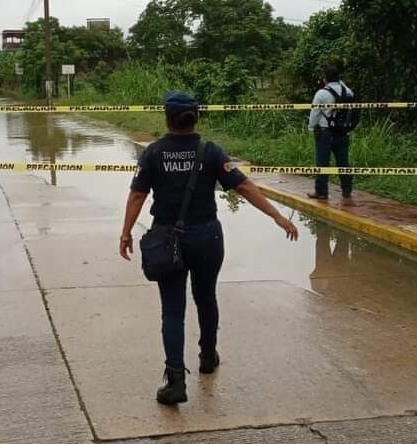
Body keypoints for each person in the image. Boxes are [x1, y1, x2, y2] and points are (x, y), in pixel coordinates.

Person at [119, 91, 299, 406]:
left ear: (166, 118)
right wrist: (277, 216)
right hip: (207, 237)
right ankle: (207, 356)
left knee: (173, 310)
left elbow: (137, 196)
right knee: (206, 298)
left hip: (167, 239)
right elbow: (243, 186)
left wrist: (125, 233)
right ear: (196, 118)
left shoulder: (154, 153)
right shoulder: (211, 152)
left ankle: (175, 380)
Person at [307, 64, 356, 200]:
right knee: (343, 161)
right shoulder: (348, 92)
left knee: (322, 162)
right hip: (342, 132)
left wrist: (311, 128)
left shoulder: (321, 93)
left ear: (325, 78)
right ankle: (347, 190)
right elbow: (344, 87)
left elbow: (315, 113)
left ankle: (321, 192)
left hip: (325, 132)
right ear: (339, 78)